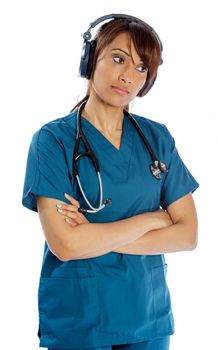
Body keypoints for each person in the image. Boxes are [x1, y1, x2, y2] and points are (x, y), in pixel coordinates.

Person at [22, 14, 199, 350]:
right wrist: (154, 219)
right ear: (90, 60)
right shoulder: (52, 141)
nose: (127, 76)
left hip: (148, 316)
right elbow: (67, 245)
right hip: (80, 318)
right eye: (118, 59)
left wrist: (94, 235)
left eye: (141, 68)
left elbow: (188, 235)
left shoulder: (157, 139)